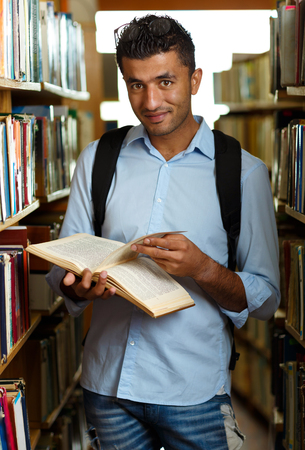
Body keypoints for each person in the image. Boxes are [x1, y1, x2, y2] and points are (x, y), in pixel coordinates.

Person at [46, 14, 280, 450]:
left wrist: (203, 268)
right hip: (109, 387)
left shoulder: (243, 173)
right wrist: (80, 287)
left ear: (194, 80)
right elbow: (64, 269)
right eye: (136, 84)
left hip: (195, 394)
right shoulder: (98, 160)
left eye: (165, 82)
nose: (150, 100)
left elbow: (266, 298)